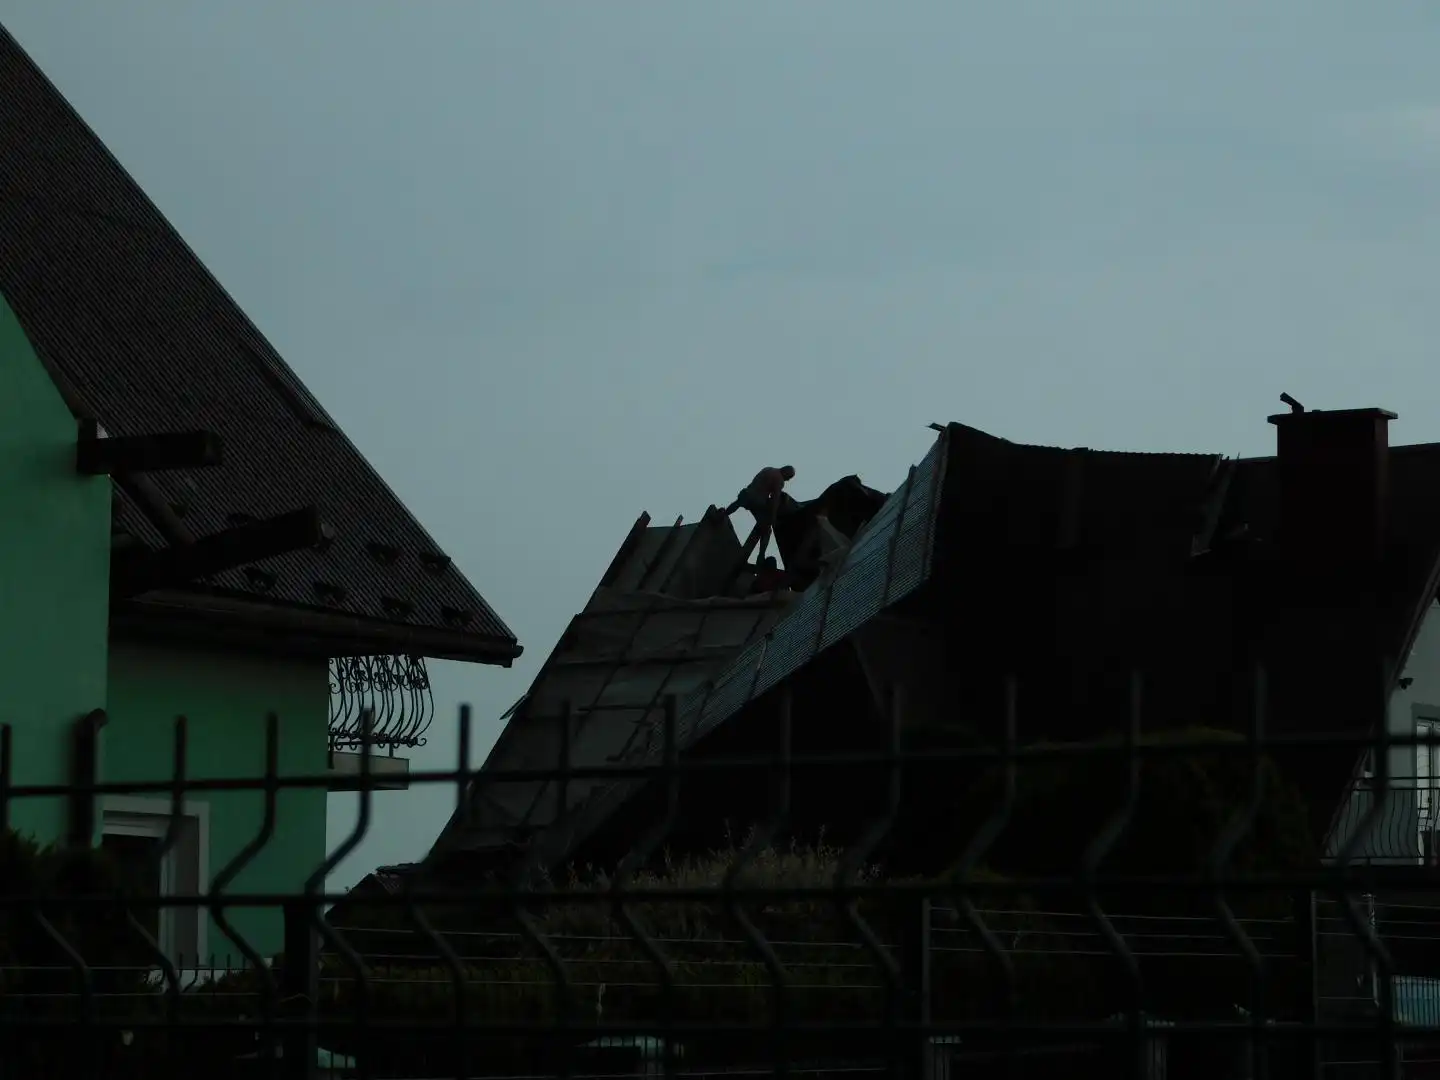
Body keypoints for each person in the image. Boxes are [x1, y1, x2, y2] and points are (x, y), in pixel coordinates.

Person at [724, 465, 795, 522]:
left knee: (736, 504)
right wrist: (772, 517)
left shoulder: (768, 469)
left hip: (746, 493)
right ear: (785, 471)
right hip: (757, 501)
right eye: (789, 477)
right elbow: (775, 499)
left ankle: (722, 515)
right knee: (765, 527)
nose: (788, 480)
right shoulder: (779, 480)